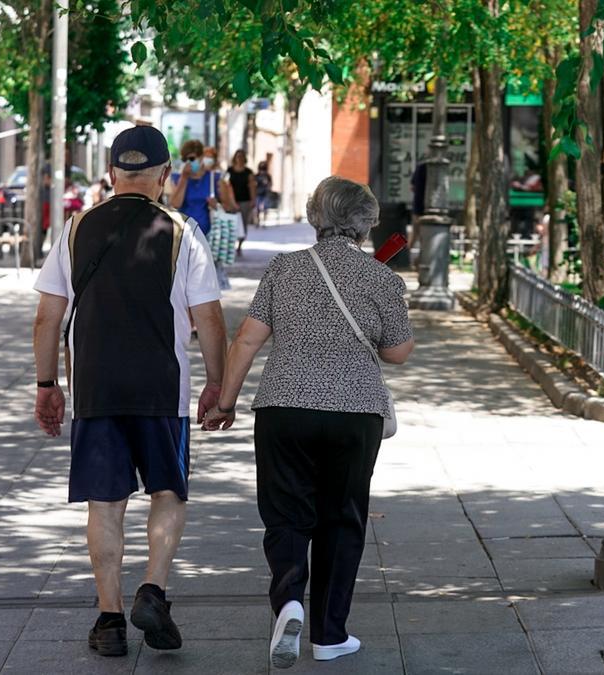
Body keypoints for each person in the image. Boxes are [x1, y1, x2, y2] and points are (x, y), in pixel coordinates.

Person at [32, 125, 228, 658]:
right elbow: (208, 318)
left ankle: (110, 619)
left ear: (112, 174)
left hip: (95, 387)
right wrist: (219, 384)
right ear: (165, 175)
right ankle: (154, 590)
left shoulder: (75, 229)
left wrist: (48, 385)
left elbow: (48, 318)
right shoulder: (183, 231)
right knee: (168, 491)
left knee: (105, 501)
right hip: (162, 387)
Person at [203, 176, 414, 668]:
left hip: (284, 407)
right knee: (342, 518)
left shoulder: (285, 269)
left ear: (314, 217)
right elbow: (398, 352)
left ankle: (289, 601)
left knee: (285, 515)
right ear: (365, 223)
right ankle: (330, 635)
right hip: (355, 414)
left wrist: (226, 402)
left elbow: (248, 341)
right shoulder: (382, 277)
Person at [169, 142, 237, 290]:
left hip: (208, 236)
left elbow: (230, 206)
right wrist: (184, 179)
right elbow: (175, 203)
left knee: (203, 281)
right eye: (185, 159)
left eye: (192, 158)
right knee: (185, 280)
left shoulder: (215, 178)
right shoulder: (177, 178)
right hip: (184, 235)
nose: (189, 162)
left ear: (201, 157)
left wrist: (216, 205)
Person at [227, 150, 258, 257]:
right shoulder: (229, 171)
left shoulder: (248, 172)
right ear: (235, 158)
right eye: (237, 156)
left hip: (245, 201)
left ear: (244, 158)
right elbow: (225, 185)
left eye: (241, 156)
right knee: (231, 224)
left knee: (243, 224)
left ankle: (239, 246)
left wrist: (253, 200)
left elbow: (252, 187)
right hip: (231, 201)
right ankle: (230, 245)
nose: (239, 158)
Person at [255, 161, 273, 225]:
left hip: (265, 193)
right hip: (258, 193)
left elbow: (270, 184)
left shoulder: (268, 176)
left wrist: (267, 186)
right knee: (257, 208)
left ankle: (264, 220)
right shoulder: (257, 175)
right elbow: (254, 184)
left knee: (265, 207)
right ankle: (258, 220)